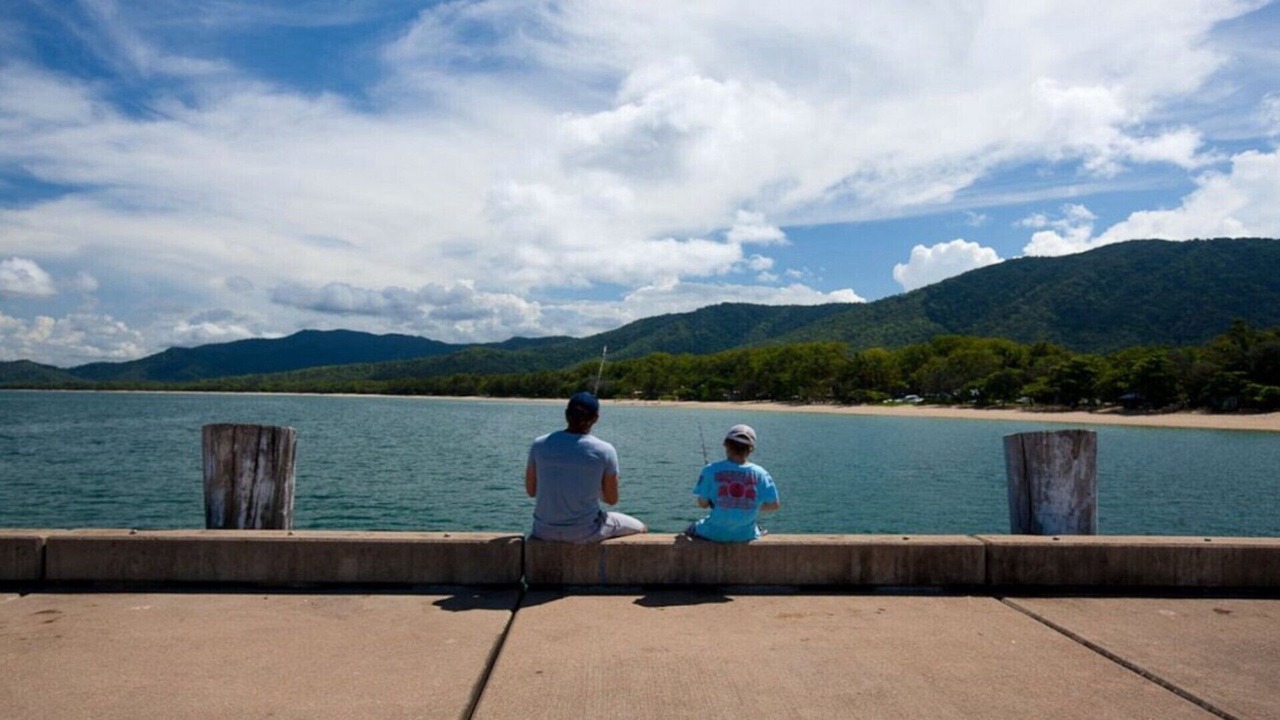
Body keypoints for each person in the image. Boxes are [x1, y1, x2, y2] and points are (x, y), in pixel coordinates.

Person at [525, 391, 648, 542]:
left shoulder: (538, 444)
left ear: (566, 414)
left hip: (542, 530)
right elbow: (611, 499)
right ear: (595, 418)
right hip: (585, 531)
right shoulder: (605, 450)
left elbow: (531, 491)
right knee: (641, 527)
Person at [686, 424, 780, 542]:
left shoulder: (710, 470)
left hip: (712, 533)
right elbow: (774, 505)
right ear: (751, 449)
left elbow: (702, 504)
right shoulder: (761, 474)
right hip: (746, 535)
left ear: (726, 444)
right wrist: (749, 506)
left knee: (689, 530)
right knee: (758, 528)